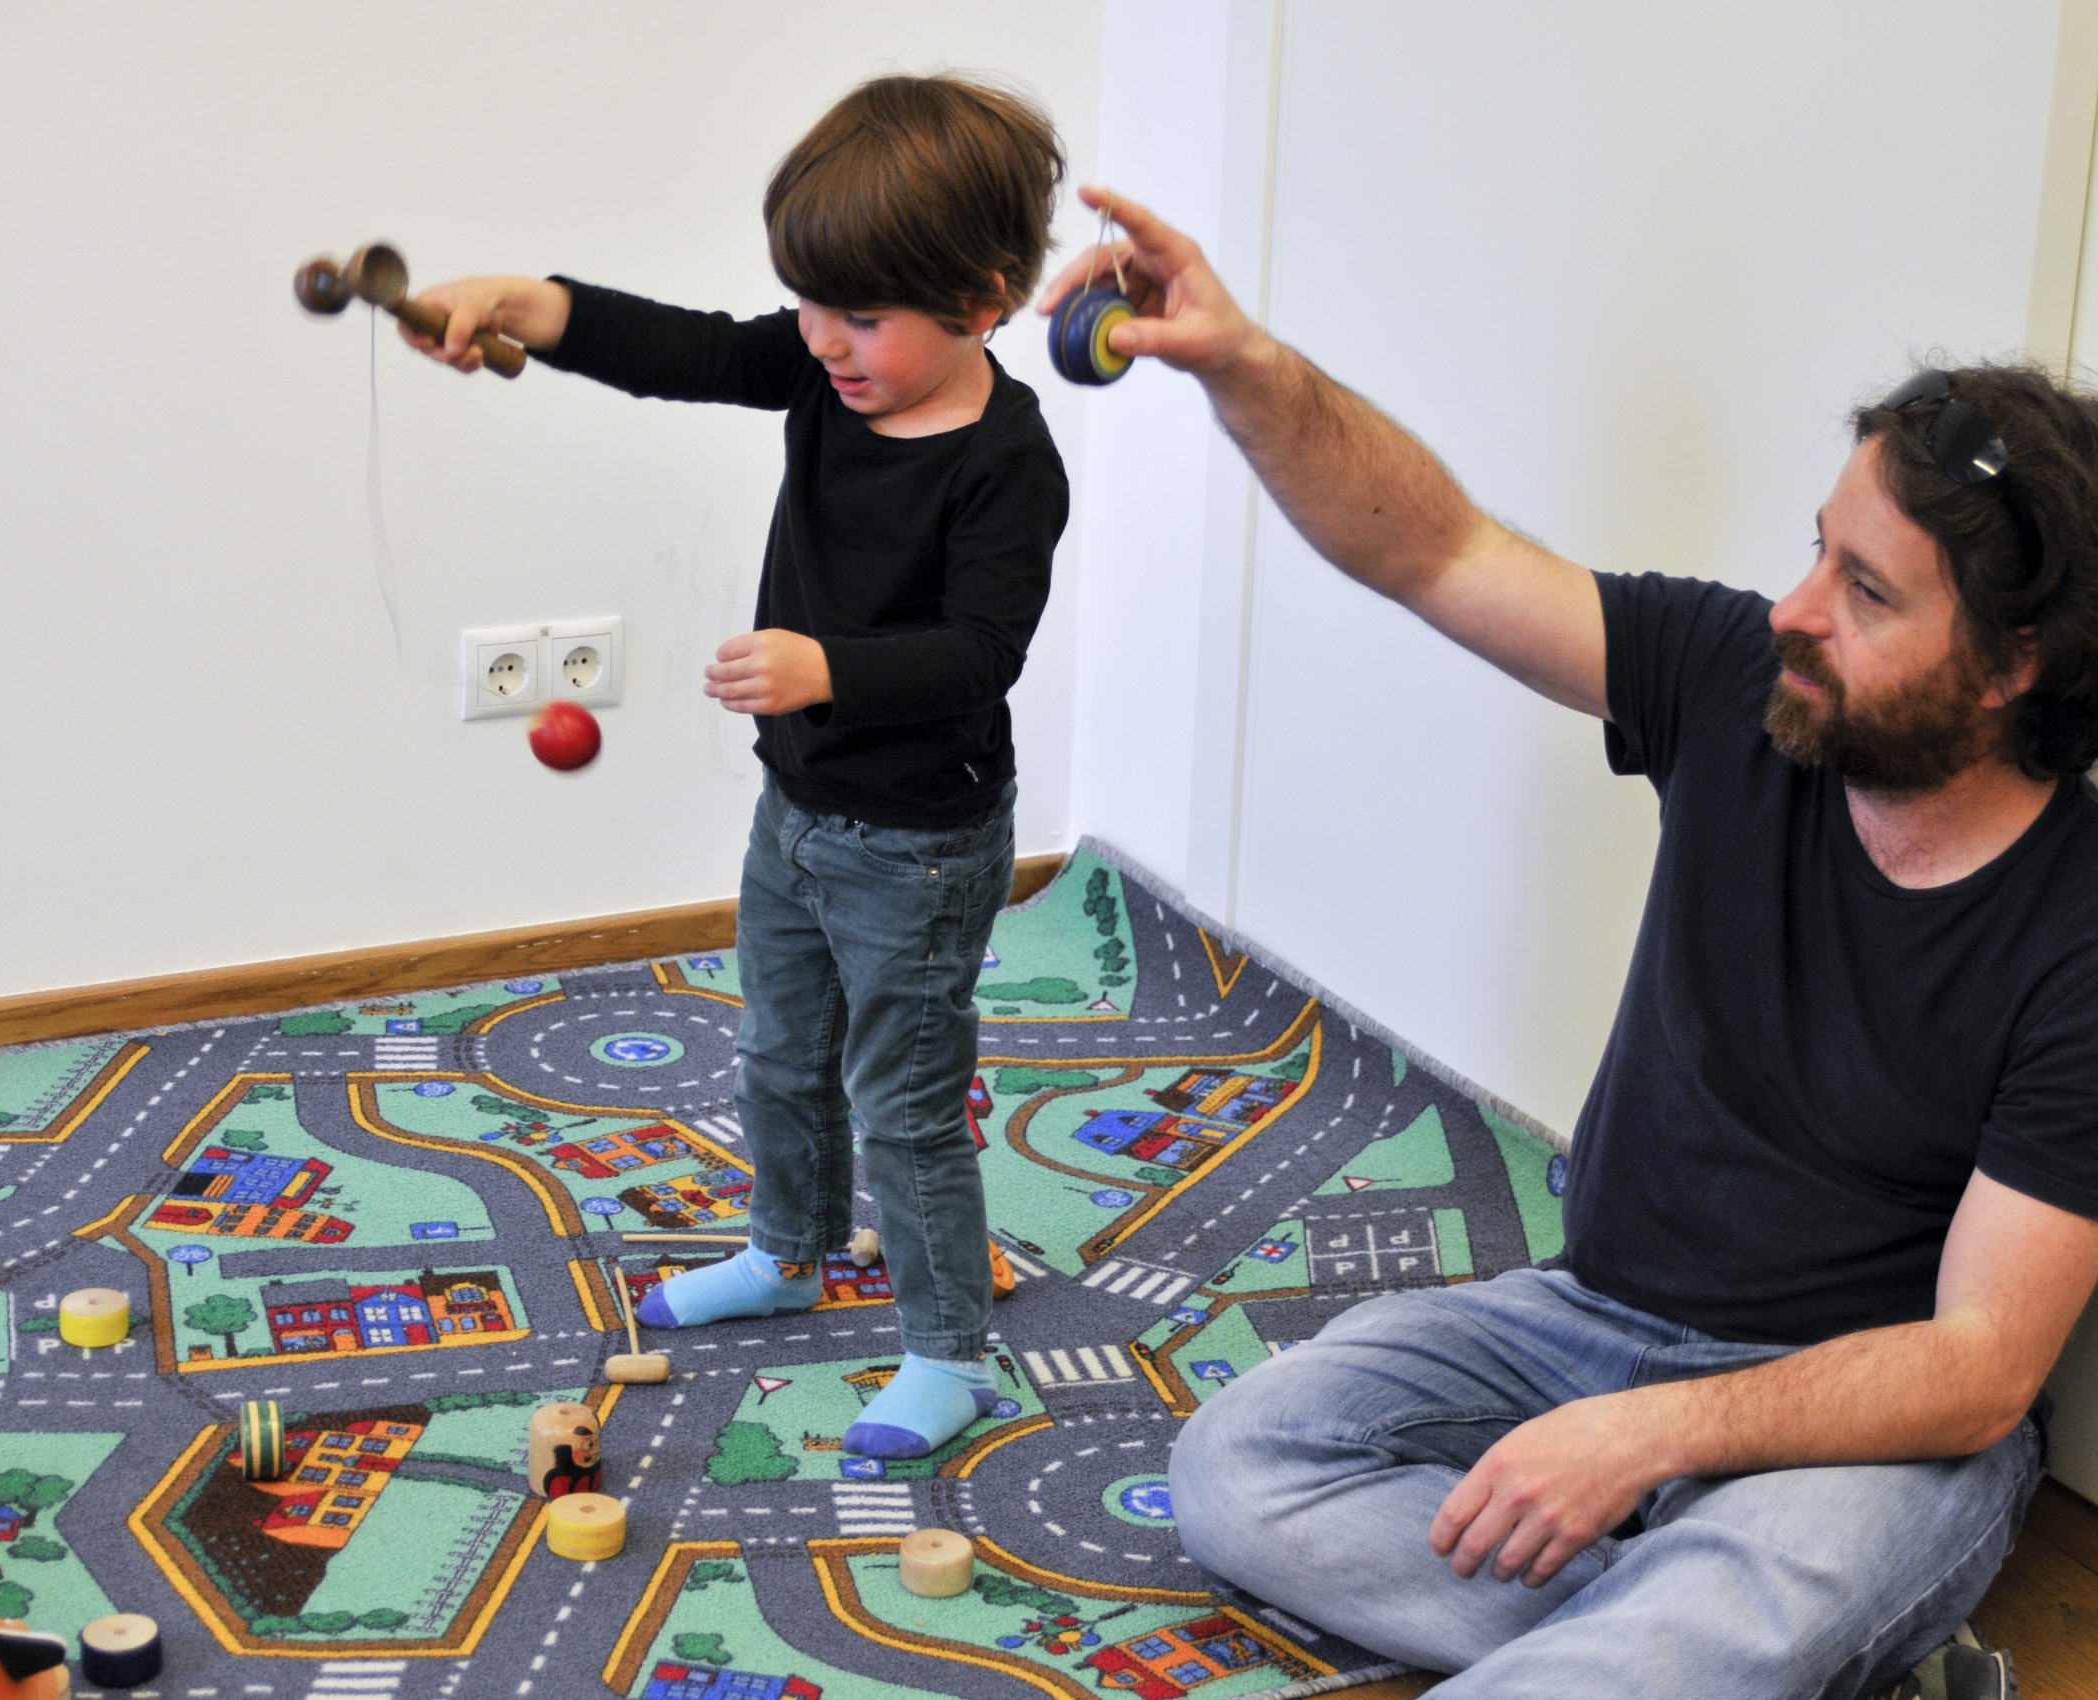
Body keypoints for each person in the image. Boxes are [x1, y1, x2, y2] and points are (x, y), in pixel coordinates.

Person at [1042, 187, 2098, 1696]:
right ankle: (1730, 1647)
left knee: (1699, 1624)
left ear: (2011, 666)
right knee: (1240, 1468)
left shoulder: (2077, 931)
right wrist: (1243, 365)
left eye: (1865, 593)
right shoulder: (1738, 682)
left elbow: (1979, 1367)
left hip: (1869, 1425)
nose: (1793, 610)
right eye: (1817, 551)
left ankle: (1712, 1634)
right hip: (1584, 1317)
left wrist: (1648, 1438)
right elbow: (1436, 551)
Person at [402, 76, 1071, 1459]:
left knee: (904, 1105)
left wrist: (830, 668)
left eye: (860, 315)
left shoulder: (1008, 463)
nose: (821, 340)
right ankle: (787, 1250)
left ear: (983, 301)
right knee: (777, 1053)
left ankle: (950, 1353)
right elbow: (681, 348)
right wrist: (526, 301)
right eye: (808, 304)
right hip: (797, 809)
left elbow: (980, 655)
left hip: (923, 847)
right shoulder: (827, 371)